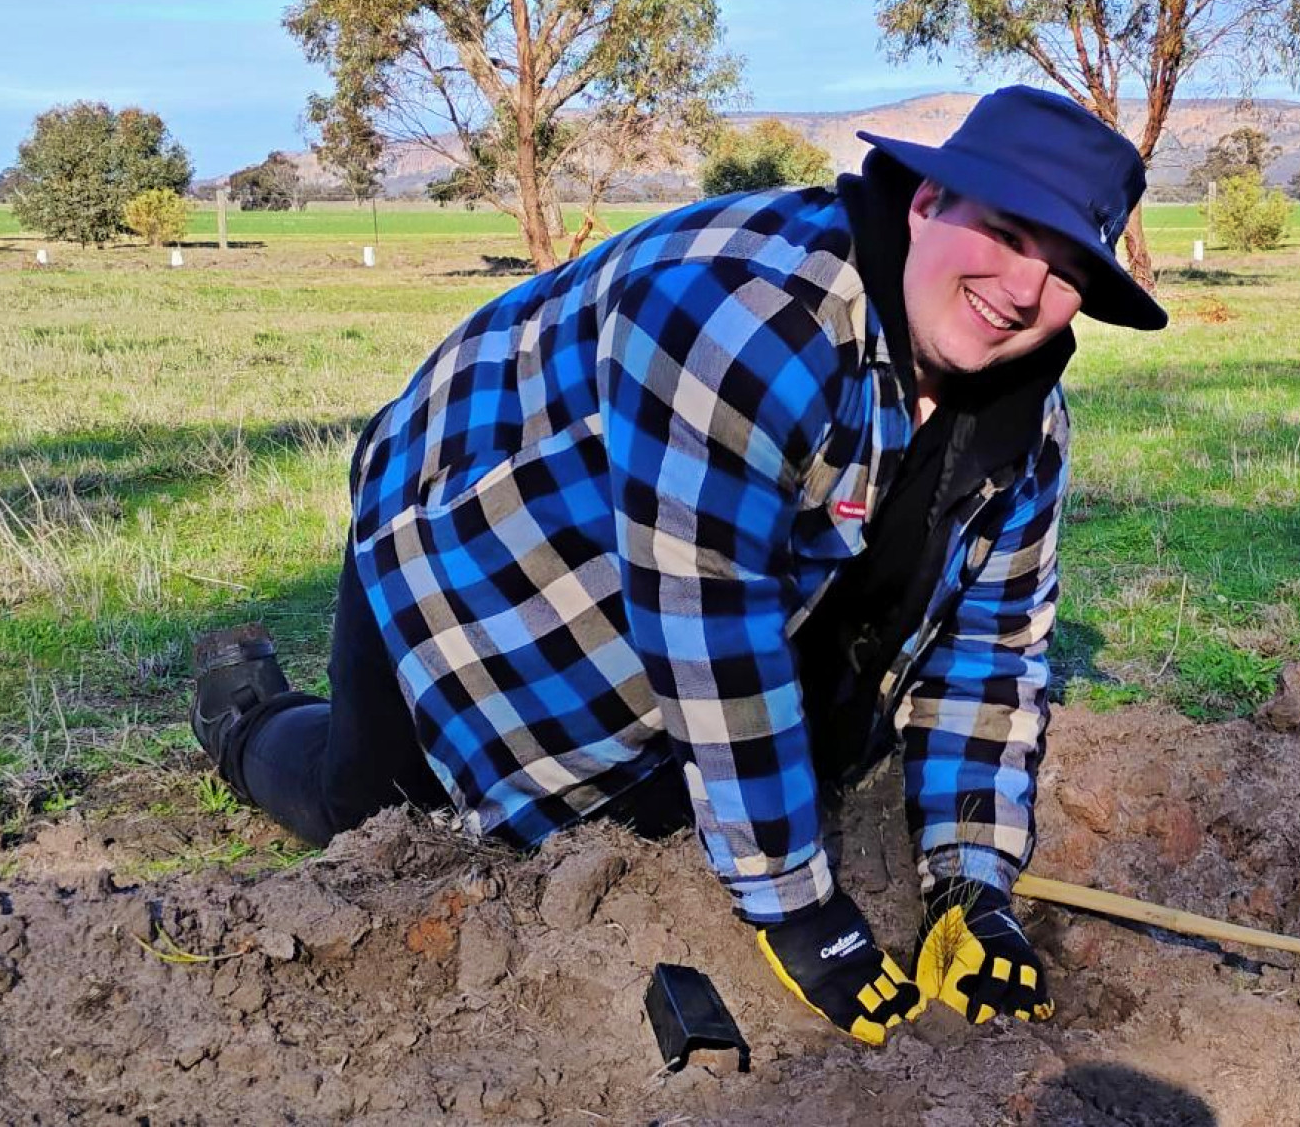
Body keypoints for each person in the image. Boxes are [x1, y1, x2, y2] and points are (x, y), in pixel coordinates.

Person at [189, 86, 1167, 1046]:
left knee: (723, 773)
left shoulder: (1025, 423)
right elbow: (714, 630)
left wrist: (972, 886)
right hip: (475, 542)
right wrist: (800, 910)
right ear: (926, 202)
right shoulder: (747, 316)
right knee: (381, 817)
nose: (1025, 289)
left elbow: (990, 651)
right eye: (1007, 233)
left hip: (682, 577)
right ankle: (242, 716)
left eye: (1068, 265)